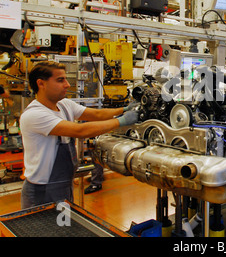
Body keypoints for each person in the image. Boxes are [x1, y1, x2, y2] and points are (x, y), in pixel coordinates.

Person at [20, 61, 139, 209]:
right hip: (42, 191)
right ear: (41, 83)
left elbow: (96, 114)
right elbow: (79, 131)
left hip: (64, 184)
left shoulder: (64, 104)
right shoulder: (35, 114)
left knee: (63, 229)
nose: (67, 85)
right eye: (60, 80)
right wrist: (122, 121)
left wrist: (125, 109)